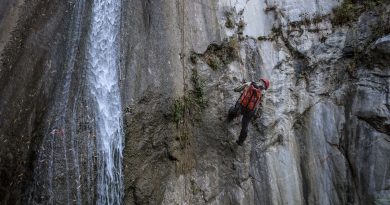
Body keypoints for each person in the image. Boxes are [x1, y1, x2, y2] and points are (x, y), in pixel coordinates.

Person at [228, 78, 270, 146]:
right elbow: (261, 107)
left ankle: (230, 118)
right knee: (245, 126)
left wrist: (235, 89)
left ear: (260, 80)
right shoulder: (263, 93)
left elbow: (239, 88)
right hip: (250, 111)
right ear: (265, 87)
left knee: (234, 111)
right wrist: (257, 116)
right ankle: (240, 141)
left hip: (241, 105)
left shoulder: (250, 83)